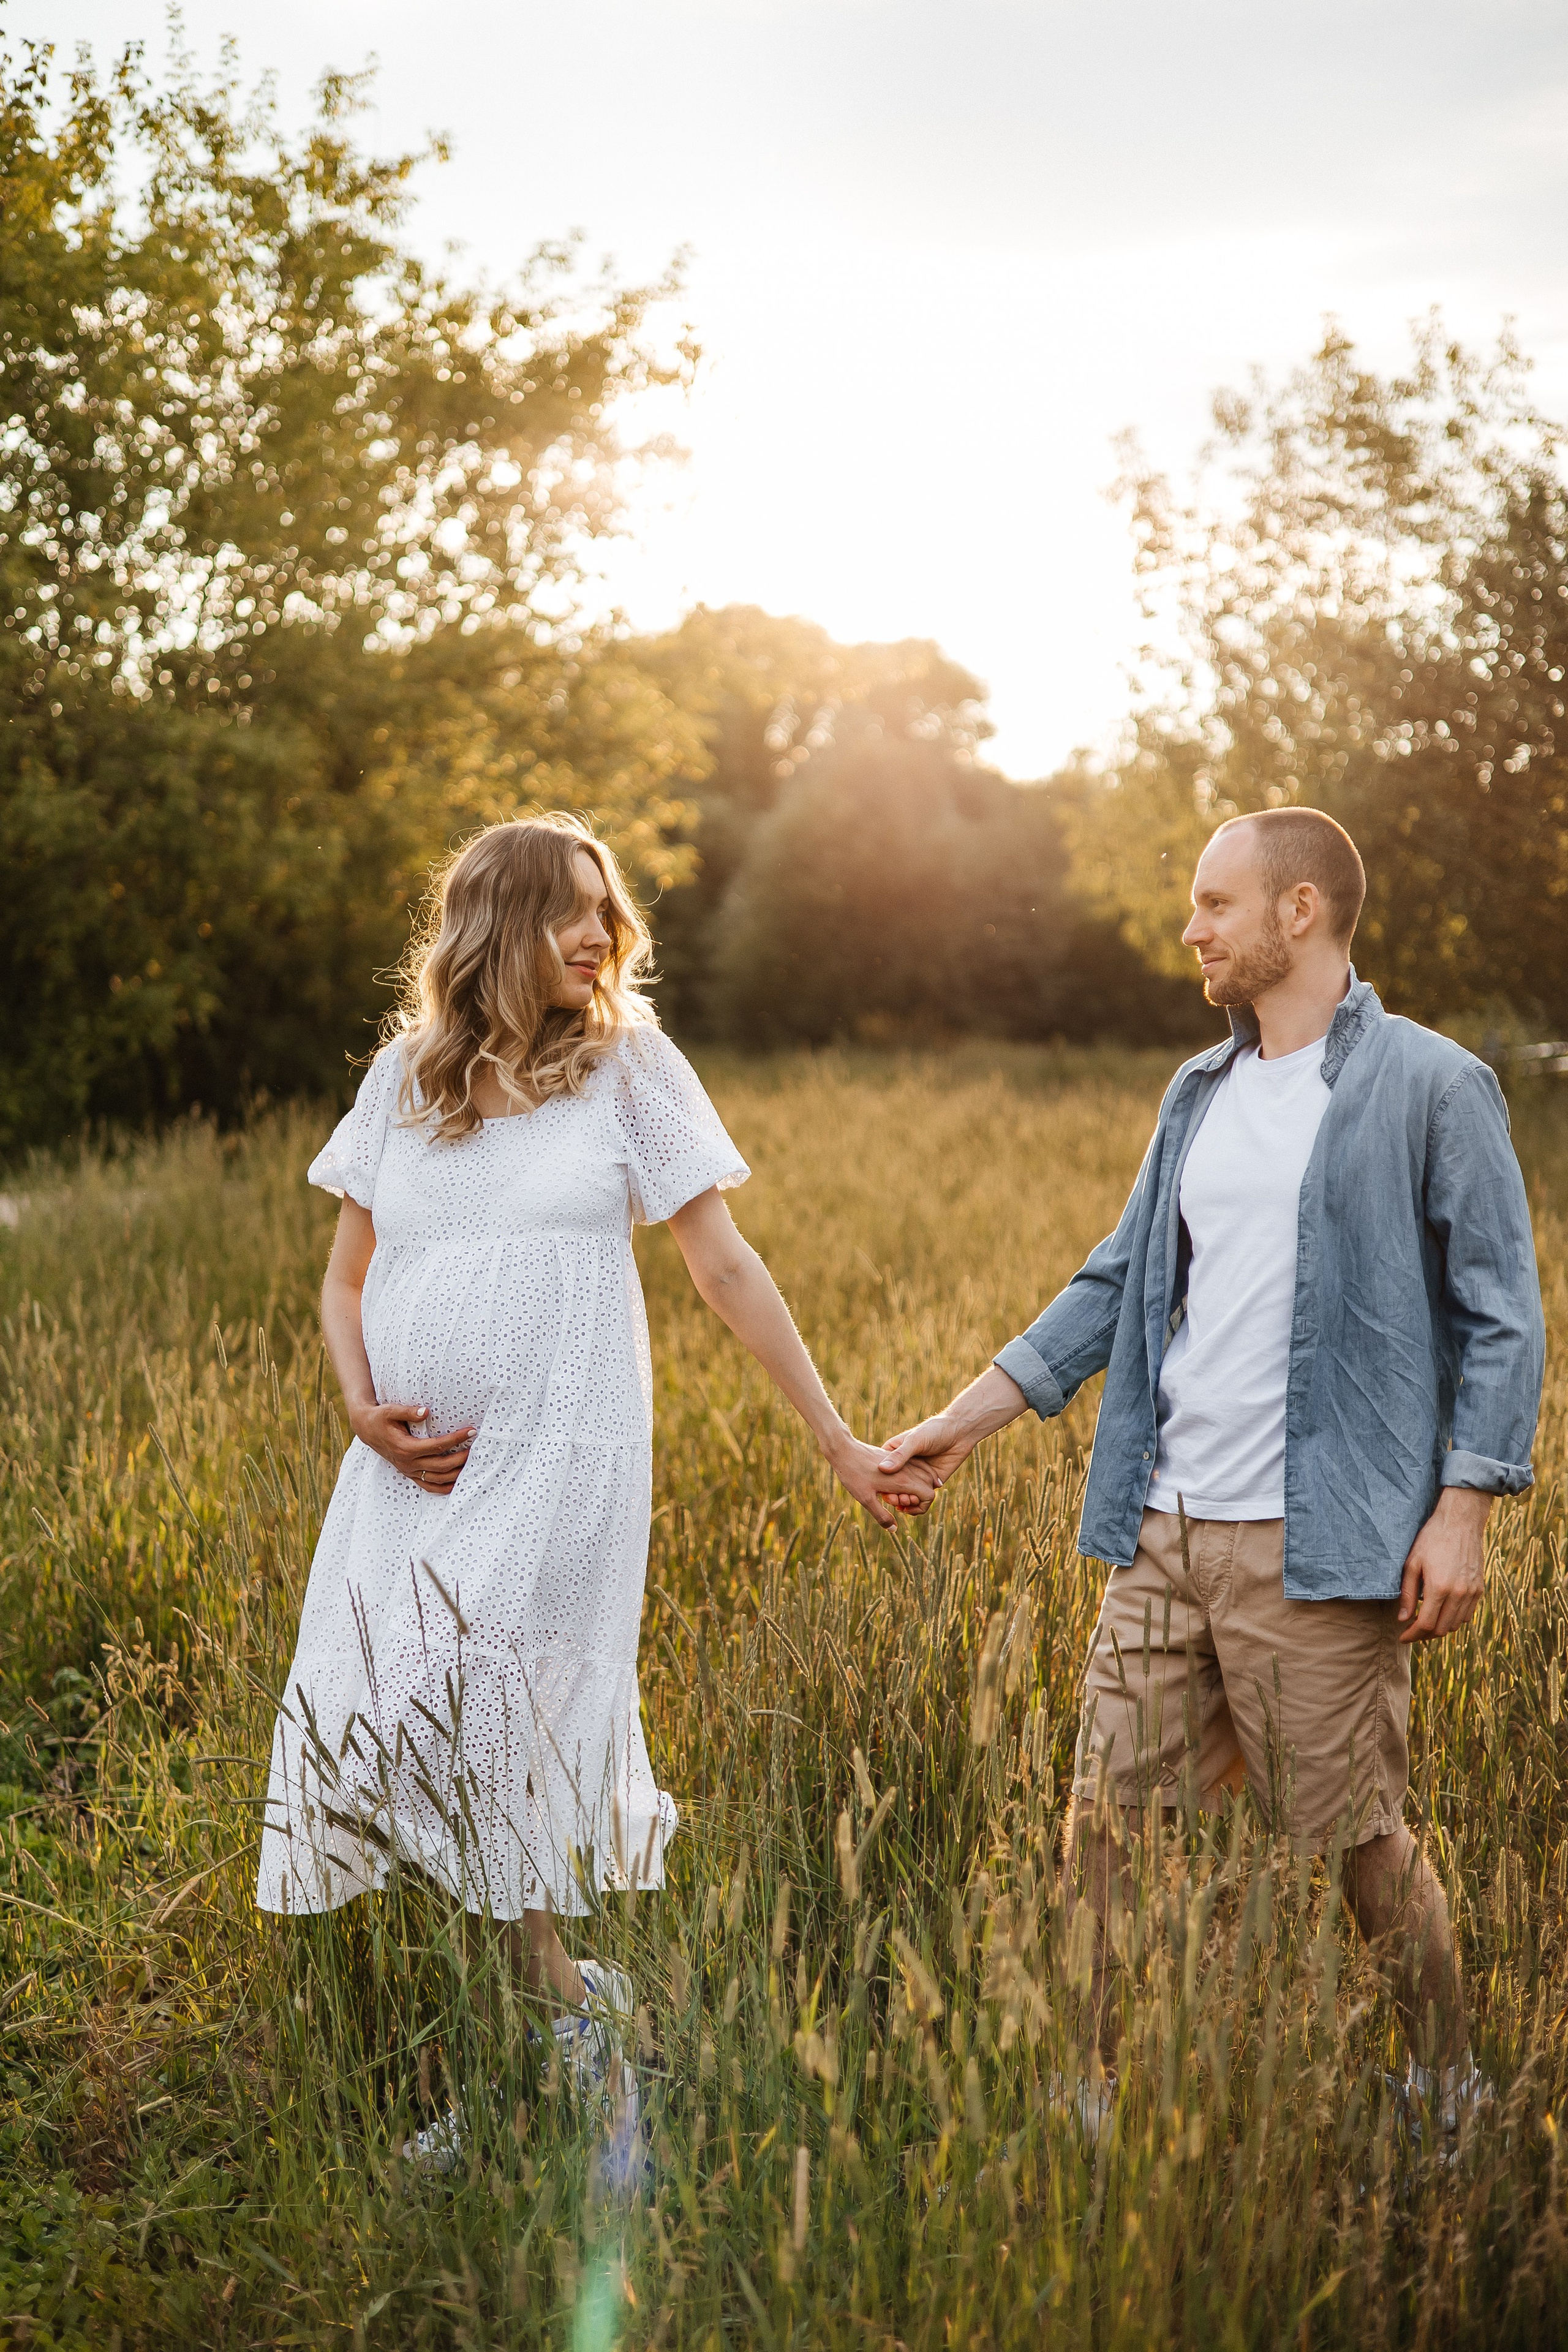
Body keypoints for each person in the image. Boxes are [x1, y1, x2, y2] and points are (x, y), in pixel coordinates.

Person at [256, 813, 931, 2173]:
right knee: (395, 1738)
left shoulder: (629, 1070)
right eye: (568, 909)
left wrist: (834, 1438)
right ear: (490, 923)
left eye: (604, 911)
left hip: (561, 1454)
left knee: (461, 1705)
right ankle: (566, 2028)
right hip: (407, 1472)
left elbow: (723, 1268)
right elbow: (343, 1278)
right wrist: (353, 1405)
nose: (598, 933)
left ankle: (574, 2047)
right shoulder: (406, 1078)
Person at [878, 806, 1544, 2141]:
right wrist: (964, 1419)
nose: (1191, 929)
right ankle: (1085, 2108)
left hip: (1321, 1541)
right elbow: (1117, 1281)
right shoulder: (1196, 1091)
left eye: (1213, 904)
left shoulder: (1429, 1084)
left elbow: (1499, 1312)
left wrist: (1463, 1507)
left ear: (1298, 911)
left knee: (1355, 1842)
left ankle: (1444, 2089)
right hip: (1162, 1531)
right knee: (1099, 1832)